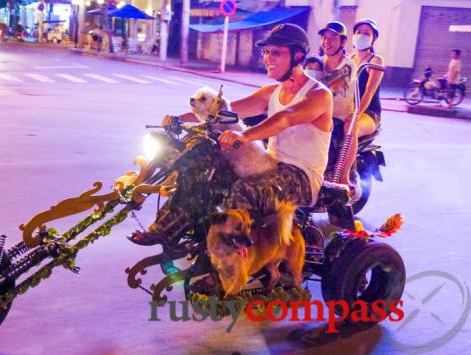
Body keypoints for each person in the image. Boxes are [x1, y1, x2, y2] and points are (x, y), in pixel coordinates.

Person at [128, 24, 333, 246]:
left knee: (243, 190)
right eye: (266, 52)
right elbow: (223, 112)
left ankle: (232, 262)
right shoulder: (271, 93)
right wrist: (179, 119)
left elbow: (286, 118)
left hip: (301, 177)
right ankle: (166, 228)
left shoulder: (319, 95)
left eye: (276, 53)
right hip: (269, 165)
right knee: (205, 169)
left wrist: (244, 136)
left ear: (298, 56)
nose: (268, 58)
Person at [317, 21, 357, 185]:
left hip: (339, 116)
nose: (327, 41)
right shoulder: (317, 62)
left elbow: (328, 87)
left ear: (343, 41)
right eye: (325, 37)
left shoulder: (348, 65)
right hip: (316, 113)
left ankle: (343, 178)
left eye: (333, 37)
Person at [348, 18, 384, 194]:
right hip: (347, 110)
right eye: (358, 32)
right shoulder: (349, 59)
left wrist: (355, 114)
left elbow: (369, 93)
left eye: (366, 33)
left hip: (368, 113)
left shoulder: (375, 61)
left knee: (351, 129)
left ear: (374, 39)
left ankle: (350, 175)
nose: (361, 36)